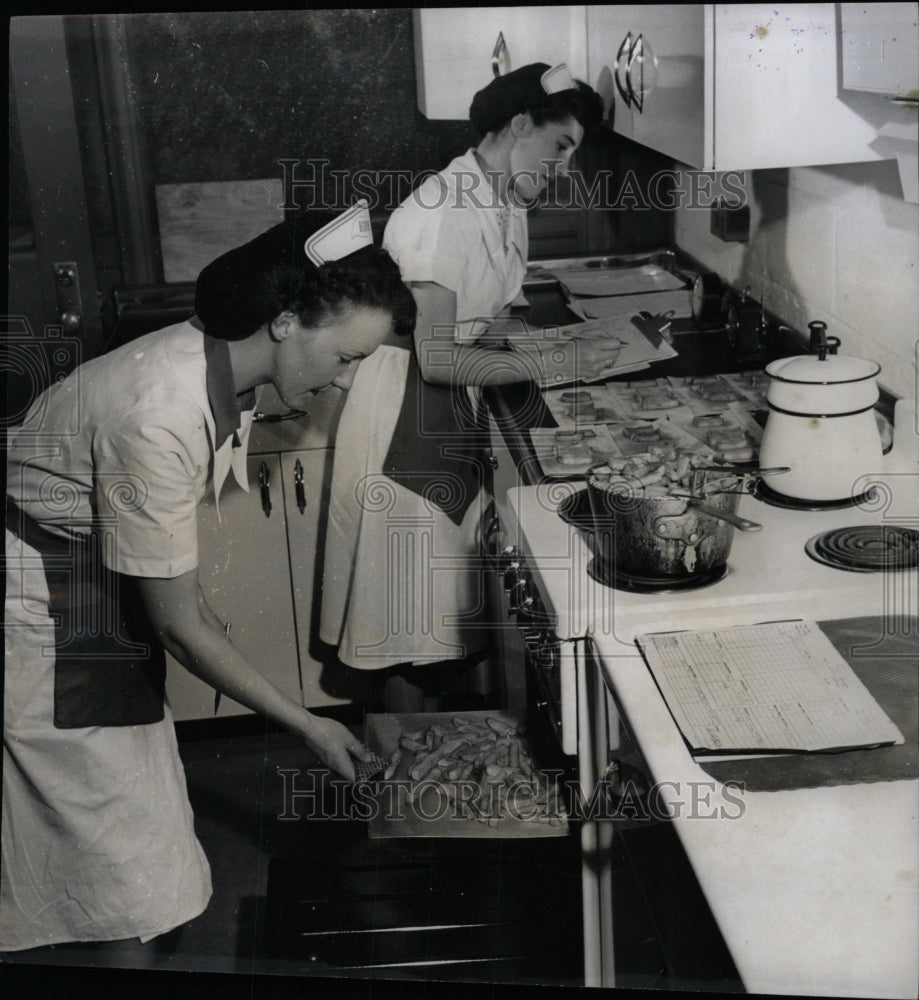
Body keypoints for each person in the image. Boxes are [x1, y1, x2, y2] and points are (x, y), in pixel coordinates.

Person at [2, 204, 416, 952]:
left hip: (83, 580)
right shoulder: (159, 412)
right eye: (347, 357)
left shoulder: (217, 363)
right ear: (286, 322)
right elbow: (180, 623)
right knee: (112, 855)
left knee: (126, 823)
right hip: (36, 601)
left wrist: (193, 617)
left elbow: (178, 598)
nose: (347, 382)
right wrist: (310, 723)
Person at [317, 63, 616, 705]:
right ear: (517, 125)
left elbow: (497, 313)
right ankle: (399, 780)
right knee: (401, 620)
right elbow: (440, 357)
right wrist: (565, 361)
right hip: (405, 416)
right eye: (560, 147)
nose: (563, 168)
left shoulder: (504, 199)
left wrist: (561, 347)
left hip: (450, 416)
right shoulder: (441, 212)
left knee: (443, 612)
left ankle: (447, 764)